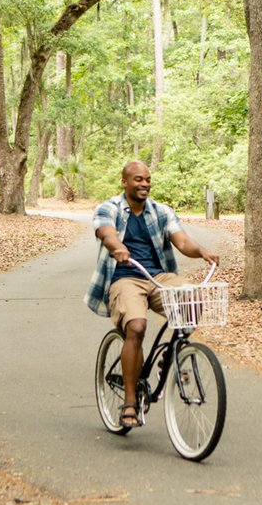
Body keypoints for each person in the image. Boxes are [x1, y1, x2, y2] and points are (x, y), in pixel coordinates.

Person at [86, 160, 218, 427]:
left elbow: (181, 240)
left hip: (158, 277)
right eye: (138, 179)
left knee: (191, 299)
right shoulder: (109, 208)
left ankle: (172, 355)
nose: (144, 184)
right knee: (136, 327)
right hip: (125, 277)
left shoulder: (160, 211)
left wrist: (202, 251)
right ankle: (130, 401)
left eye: (147, 179)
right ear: (124, 182)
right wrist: (117, 247)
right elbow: (106, 232)